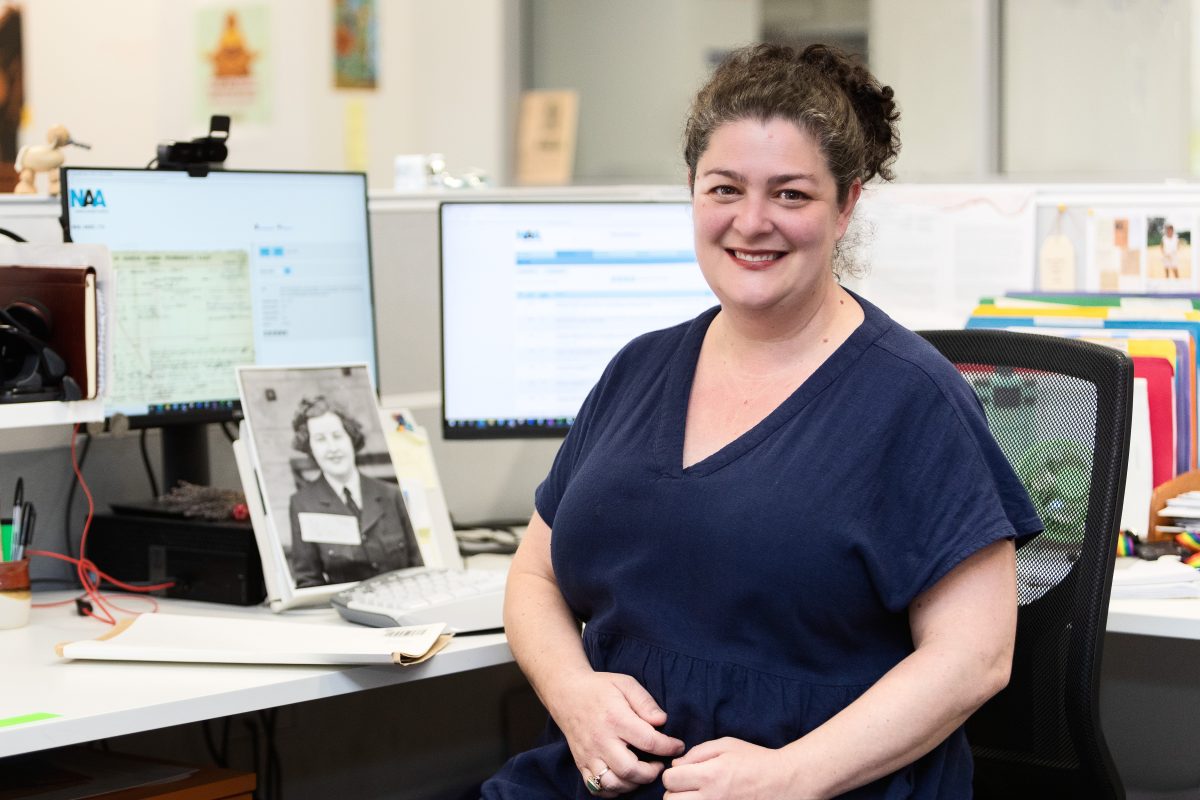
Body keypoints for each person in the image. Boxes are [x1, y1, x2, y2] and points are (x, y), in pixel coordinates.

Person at [481, 43, 1041, 799]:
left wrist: (794, 776)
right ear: (692, 191)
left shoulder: (912, 400)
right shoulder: (637, 370)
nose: (752, 222)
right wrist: (573, 695)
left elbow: (976, 657)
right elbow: (534, 574)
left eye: (790, 194)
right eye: (725, 189)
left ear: (846, 205)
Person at [287, 395, 423, 587]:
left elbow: (418, 567)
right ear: (310, 448)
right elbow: (308, 582)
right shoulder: (303, 503)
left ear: (351, 438)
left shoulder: (391, 495)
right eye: (320, 440)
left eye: (337, 436)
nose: (332, 448)